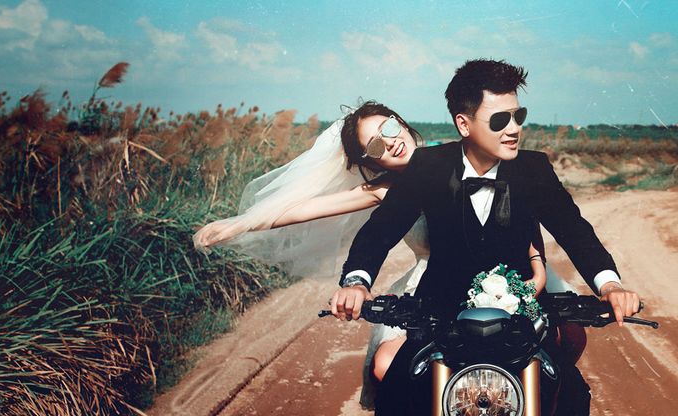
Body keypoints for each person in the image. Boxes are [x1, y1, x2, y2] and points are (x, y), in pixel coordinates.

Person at [193, 101, 552, 408]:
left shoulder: (459, 156)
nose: (391, 143)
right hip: (433, 281)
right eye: (376, 146)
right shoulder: (383, 189)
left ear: (402, 122)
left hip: (507, 273)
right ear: (371, 161)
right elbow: (305, 209)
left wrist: (538, 269)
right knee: (387, 364)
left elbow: (518, 210)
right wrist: (240, 224)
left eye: (389, 128)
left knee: (565, 339)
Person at [338, 59, 641, 415]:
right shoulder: (428, 165)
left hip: (520, 319)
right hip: (440, 316)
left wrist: (610, 285)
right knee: (395, 396)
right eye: (500, 120)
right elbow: (381, 229)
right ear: (463, 124)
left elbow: (573, 229)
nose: (514, 129)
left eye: (518, 116)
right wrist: (356, 282)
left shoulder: (534, 167)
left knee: (571, 396)